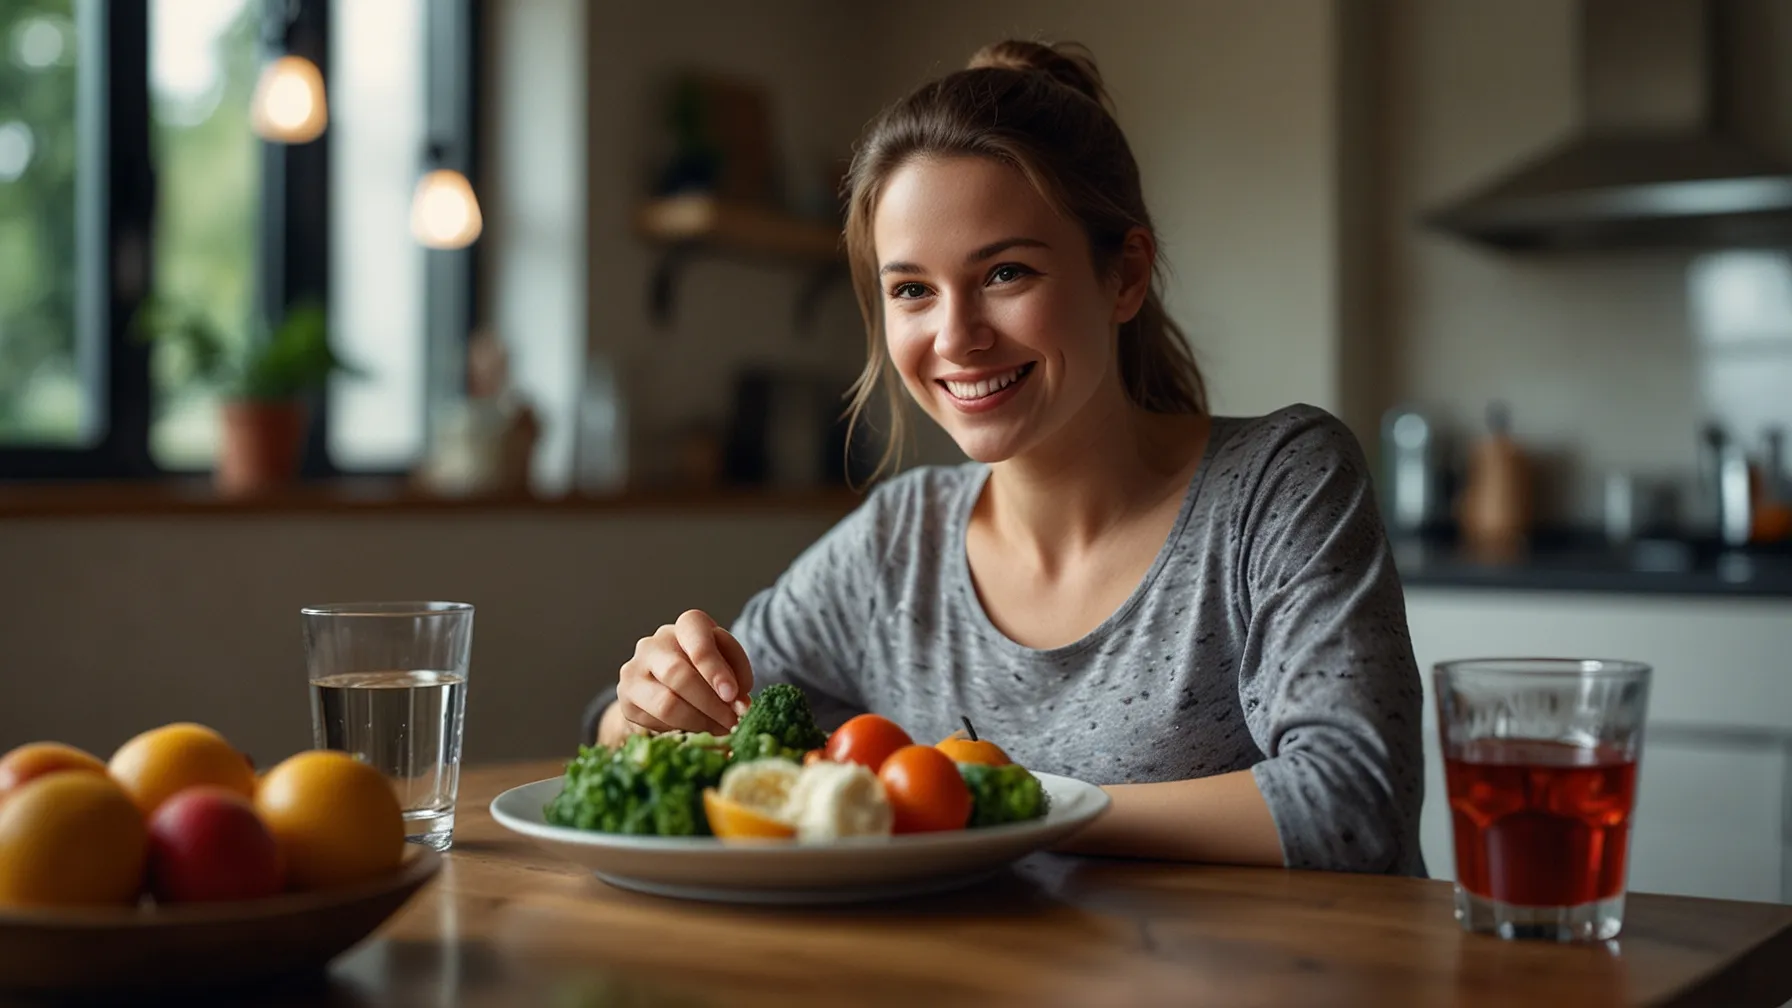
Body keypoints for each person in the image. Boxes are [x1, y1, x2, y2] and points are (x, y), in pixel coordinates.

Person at [583, 39, 1425, 875]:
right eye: (912, 289)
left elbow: (1353, 806)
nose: (956, 338)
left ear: (1125, 276)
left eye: (1005, 273)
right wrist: (650, 705)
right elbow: (639, 730)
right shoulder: (896, 543)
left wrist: (995, 806)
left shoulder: (1281, 481)